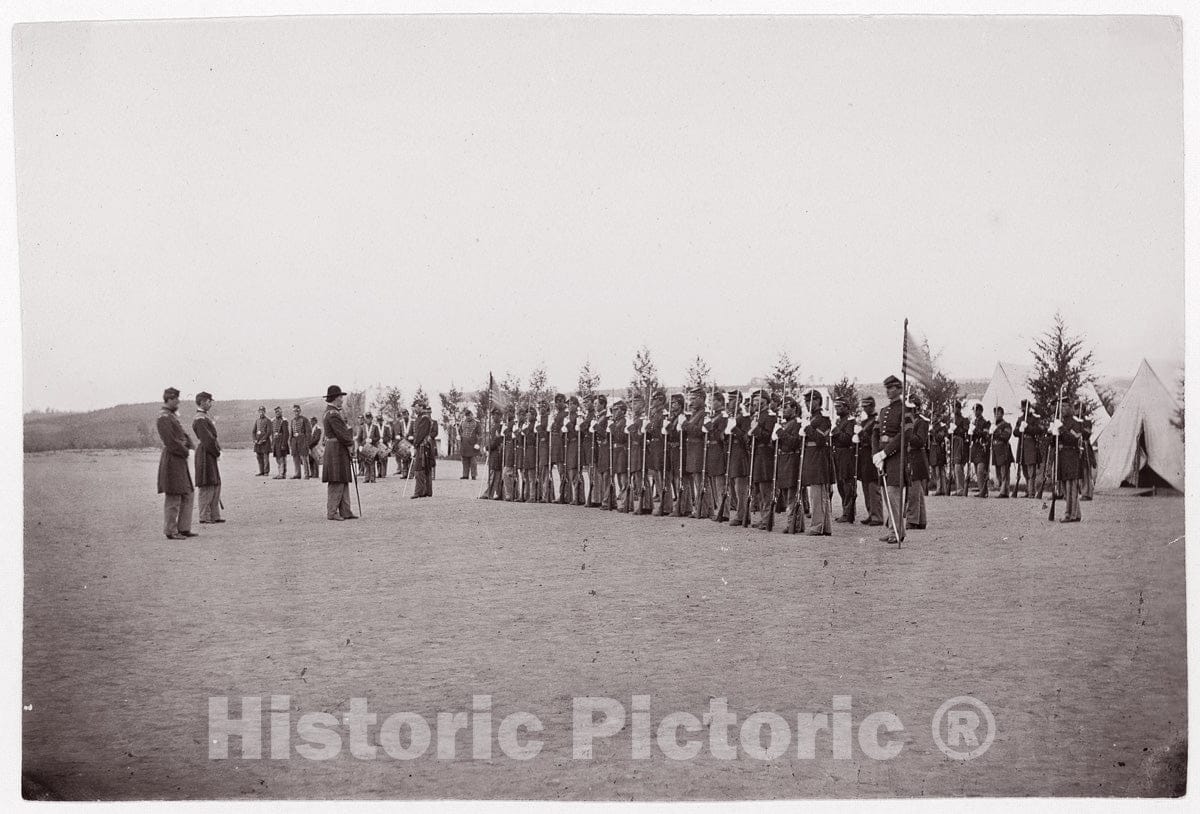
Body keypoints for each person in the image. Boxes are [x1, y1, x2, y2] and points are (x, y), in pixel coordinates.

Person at [157, 387, 197, 540]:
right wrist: (186, 451)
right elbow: (171, 442)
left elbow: (183, 435)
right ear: (169, 399)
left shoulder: (171, 416)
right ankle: (171, 531)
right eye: (176, 399)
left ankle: (184, 528)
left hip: (180, 458)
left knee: (187, 492)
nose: (178, 402)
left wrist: (191, 446)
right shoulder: (164, 417)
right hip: (173, 459)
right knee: (173, 495)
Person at [872, 375, 908, 544]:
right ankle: (893, 528)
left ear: (899, 390)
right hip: (883, 457)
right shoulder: (884, 411)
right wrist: (875, 454)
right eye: (887, 388)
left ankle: (897, 531)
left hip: (896, 457)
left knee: (894, 496)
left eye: (892, 388)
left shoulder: (905, 411)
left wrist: (885, 452)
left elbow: (904, 435)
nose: (888, 391)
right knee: (887, 496)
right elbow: (875, 433)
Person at [321, 385, 357, 520]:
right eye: (341, 397)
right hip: (337, 449)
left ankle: (345, 511)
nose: (342, 400)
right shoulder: (333, 414)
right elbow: (342, 434)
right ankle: (332, 512)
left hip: (336, 448)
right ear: (335, 398)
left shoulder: (331, 412)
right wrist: (350, 443)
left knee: (343, 479)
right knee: (336, 480)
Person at [801, 390, 833, 536]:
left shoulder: (823, 418)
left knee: (818, 495)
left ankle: (817, 526)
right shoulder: (812, 418)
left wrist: (807, 428)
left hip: (819, 459)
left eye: (811, 401)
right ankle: (825, 527)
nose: (808, 404)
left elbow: (820, 440)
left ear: (818, 401)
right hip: (812, 459)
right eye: (806, 401)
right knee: (819, 495)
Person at [1049, 397, 1084, 522]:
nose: (1062, 409)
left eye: (1065, 406)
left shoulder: (1076, 422)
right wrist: (1053, 433)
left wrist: (1062, 429)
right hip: (1062, 457)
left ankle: (1069, 514)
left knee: (1071, 487)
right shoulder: (1060, 422)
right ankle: (1076, 513)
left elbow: (1073, 439)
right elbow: (1053, 444)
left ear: (1070, 407)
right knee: (1066, 487)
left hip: (1071, 456)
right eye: (1061, 406)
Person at [192, 391, 223, 524]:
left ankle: (214, 515)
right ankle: (204, 516)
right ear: (203, 402)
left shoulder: (204, 417)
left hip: (209, 453)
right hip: (205, 453)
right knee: (207, 484)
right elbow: (208, 440)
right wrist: (217, 452)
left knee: (215, 483)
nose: (211, 404)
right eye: (209, 401)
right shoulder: (200, 419)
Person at [749, 389, 777, 531]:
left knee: (765, 489)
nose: (754, 403)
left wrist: (756, 429)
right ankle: (763, 518)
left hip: (765, 454)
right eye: (753, 401)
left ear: (765, 401)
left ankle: (767, 520)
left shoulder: (770, 416)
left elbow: (767, 436)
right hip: (757, 454)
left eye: (757, 401)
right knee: (759, 489)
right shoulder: (757, 416)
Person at [856, 396, 884, 525]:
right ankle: (870, 513)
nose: (865, 408)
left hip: (872, 455)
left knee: (873, 487)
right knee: (866, 486)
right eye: (863, 406)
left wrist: (861, 434)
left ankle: (877, 515)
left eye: (866, 406)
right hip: (864, 457)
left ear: (872, 406)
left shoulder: (876, 421)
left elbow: (874, 439)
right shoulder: (865, 422)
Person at [727, 391, 752, 527]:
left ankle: (742, 515)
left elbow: (746, 439)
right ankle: (741, 513)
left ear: (739, 401)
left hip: (741, 454)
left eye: (732, 400)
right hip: (732, 454)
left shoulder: (744, 417)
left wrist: (734, 429)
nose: (730, 403)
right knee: (734, 487)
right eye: (729, 400)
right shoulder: (731, 417)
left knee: (740, 487)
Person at [831, 399, 858, 522]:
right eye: (836, 407)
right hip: (838, 454)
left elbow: (847, 439)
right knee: (841, 484)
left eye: (840, 407)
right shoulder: (840, 421)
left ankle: (848, 513)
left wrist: (836, 431)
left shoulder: (850, 422)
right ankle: (846, 511)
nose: (837, 409)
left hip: (847, 454)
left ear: (847, 408)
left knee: (847, 484)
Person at [705, 391, 730, 522]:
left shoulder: (723, 416)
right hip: (712, 450)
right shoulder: (714, 416)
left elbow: (721, 436)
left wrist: (710, 427)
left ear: (720, 401)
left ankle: (724, 512)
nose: (711, 403)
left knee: (720, 484)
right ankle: (719, 510)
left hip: (719, 450)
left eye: (713, 401)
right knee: (715, 483)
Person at [905, 394, 929, 529]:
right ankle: (921, 520)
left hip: (916, 457)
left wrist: (908, 434)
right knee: (917, 490)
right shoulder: (909, 421)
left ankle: (912, 520)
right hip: (911, 456)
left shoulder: (922, 421)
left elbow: (920, 441)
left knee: (913, 491)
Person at [1013, 399, 1043, 498]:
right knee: (1025, 470)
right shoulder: (1020, 418)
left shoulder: (1034, 418)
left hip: (1031, 445)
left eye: (1026, 406)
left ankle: (1031, 492)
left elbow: (1038, 430)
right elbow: (1015, 432)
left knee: (1031, 471)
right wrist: (1019, 429)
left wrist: (1028, 428)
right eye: (1023, 407)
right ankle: (1028, 490)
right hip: (1022, 445)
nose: (1024, 409)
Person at [409, 400, 436, 498]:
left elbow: (420, 434)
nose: (414, 409)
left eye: (415, 407)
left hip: (422, 446)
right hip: (422, 445)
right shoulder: (420, 418)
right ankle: (426, 491)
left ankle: (419, 492)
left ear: (421, 407)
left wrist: (415, 445)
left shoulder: (424, 418)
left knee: (419, 468)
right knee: (425, 468)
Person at [990, 405, 1014, 498]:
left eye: (998, 413)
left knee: (1004, 472)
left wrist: (995, 432)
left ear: (1002, 414)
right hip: (996, 450)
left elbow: (1006, 436)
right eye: (995, 413)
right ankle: (1002, 489)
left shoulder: (1006, 425)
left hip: (1003, 450)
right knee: (998, 472)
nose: (996, 415)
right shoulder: (994, 425)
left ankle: (1004, 491)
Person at [969, 403, 991, 497]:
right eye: (974, 410)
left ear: (980, 411)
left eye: (976, 410)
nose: (975, 412)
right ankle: (981, 489)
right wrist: (970, 432)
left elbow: (985, 435)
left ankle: (984, 490)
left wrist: (976, 430)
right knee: (976, 469)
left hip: (982, 447)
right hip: (975, 447)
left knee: (980, 470)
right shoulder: (973, 422)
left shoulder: (985, 422)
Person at [482, 406, 505, 499]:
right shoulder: (494, 427)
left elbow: (496, 441)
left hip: (497, 452)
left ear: (500, 416)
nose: (493, 417)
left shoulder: (500, 427)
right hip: (493, 453)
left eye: (495, 415)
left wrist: (487, 448)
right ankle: (498, 493)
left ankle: (489, 493)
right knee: (495, 475)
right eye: (492, 416)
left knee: (494, 474)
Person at [950, 401, 970, 497]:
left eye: (955, 408)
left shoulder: (964, 420)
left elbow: (965, 431)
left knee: (958, 466)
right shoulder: (952, 420)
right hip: (953, 443)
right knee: (954, 466)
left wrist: (956, 429)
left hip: (960, 443)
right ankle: (958, 488)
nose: (954, 410)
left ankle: (961, 489)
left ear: (959, 408)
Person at [288, 404, 311, 480]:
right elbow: (291, 432)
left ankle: (306, 474)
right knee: (295, 458)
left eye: (297, 411)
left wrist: (307, 442)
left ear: (300, 411)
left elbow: (308, 432)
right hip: (294, 441)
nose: (296, 412)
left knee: (304, 458)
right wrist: (290, 442)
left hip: (303, 441)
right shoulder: (292, 420)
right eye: (294, 411)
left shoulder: (304, 419)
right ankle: (297, 474)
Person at [459, 408, 481, 480]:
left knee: (473, 461)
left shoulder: (477, 423)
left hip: (472, 444)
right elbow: (460, 431)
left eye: (469, 415)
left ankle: (473, 475)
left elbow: (480, 434)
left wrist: (478, 443)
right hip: (464, 444)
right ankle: (465, 475)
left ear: (472, 415)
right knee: (464, 460)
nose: (468, 417)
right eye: (466, 416)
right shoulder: (462, 422)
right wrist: (459, 436)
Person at [356, 413, 378, 483]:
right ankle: (366, 478)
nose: (368, 419)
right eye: (367, 418)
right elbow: (359, 438)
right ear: (365, 419)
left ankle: (372, 478)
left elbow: (378, 437)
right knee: (365, 462)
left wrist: (373, 440)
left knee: (372, 462)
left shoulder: (375, 427)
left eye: (369, 418)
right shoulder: (362, 427)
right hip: (365, 446)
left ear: (372, 418)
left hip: (372, 446)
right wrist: (360, 446)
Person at [392, 409, 414, 478]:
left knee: (410, 458)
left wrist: (412, 436)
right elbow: (400, 432)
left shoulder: (413, 422)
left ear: (408, 414)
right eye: (403, 414)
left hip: (410, 442)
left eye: (405, 414)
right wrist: (399, 436)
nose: (404, 416)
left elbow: (415, 431)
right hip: (403, 441)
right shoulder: (401, 423)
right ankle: (404, 473)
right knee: (404, 457)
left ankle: (411, 474)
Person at [270, 406, 290, 479]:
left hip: (281, 441)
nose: (277, 413)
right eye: (276, 412)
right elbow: (272, 433)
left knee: (282, 458)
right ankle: (280, 473)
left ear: (281, 412)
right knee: (278, 458)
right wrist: (272, 443)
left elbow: (286, 433)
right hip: (276, 441)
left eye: (278, 412)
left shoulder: (284, 421)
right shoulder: (273, 421)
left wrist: (284, 444)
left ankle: (282, 474)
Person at [251, 406, 271, 476]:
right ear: (258, 412)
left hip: (265, 442)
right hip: (257, 442)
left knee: (265, 457)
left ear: (265, 412)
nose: (261, 412)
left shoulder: (268, 420)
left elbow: (268, 432)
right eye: (260, 411)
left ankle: (266, 472)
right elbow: (253, 431)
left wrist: (262, 440)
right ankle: (261, 471)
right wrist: (254, 439)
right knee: (259, 457)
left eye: (262, 411)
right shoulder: (257, 421)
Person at [307, 415, 323, 479]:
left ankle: (316, 474)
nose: (311, 422)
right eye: (310, 421)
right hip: (310, 446)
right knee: (310, 459)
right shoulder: (310, 428)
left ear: (315, 421)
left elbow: (316, 439)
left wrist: (310, 444)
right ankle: (312, 473)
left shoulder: (318, 428)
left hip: (315, 446)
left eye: (312, 421)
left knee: (316, 460)